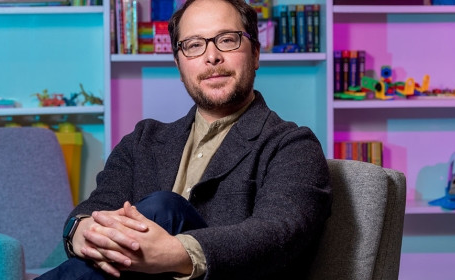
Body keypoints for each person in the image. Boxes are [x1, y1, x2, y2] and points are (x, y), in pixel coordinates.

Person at [37, 0, 331, 279]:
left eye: (227, 40)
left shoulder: (293, 145)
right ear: (179, 66)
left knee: (167, 208)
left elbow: (278, 233)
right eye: (193, 45)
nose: (211, 56)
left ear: (255, 54)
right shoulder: (142, 141)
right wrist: (81, 231)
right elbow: (96, 209)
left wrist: (177, 253)